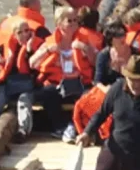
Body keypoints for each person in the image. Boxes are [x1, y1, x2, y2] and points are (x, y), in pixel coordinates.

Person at [30, 7, 97, 138]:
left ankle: (82, 128)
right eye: (69, 21)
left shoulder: (83, 40)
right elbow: (32, 63)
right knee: (48, 93)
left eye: (75, 20)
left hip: (79, 83)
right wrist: (47, 51)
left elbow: (96, 61)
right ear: (59, 23)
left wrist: (85, 48)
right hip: (58, 84)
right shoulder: (50, 41)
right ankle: (60, 127)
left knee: (88, 97)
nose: (73, 24)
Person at [71, 21, 136, 143]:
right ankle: (96, 134)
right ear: (111, 39)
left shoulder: (135, 53)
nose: (122, 38)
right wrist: (107, 90)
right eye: (118, 35)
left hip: (130, 88)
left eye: (124, 34)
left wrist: (124, 71)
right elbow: (98, 81)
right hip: (107, 89)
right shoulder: (104, 55)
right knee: (90, 102)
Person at [0, 19, 45, 141]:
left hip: (29, 84)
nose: (24, 34)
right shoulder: (7, 45)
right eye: (20, 32)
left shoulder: (38, 45)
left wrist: (29, 50)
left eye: (27, 31)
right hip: (11, 83)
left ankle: (23, 131)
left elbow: (35, 67)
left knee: (24, 101)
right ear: (14, 35)